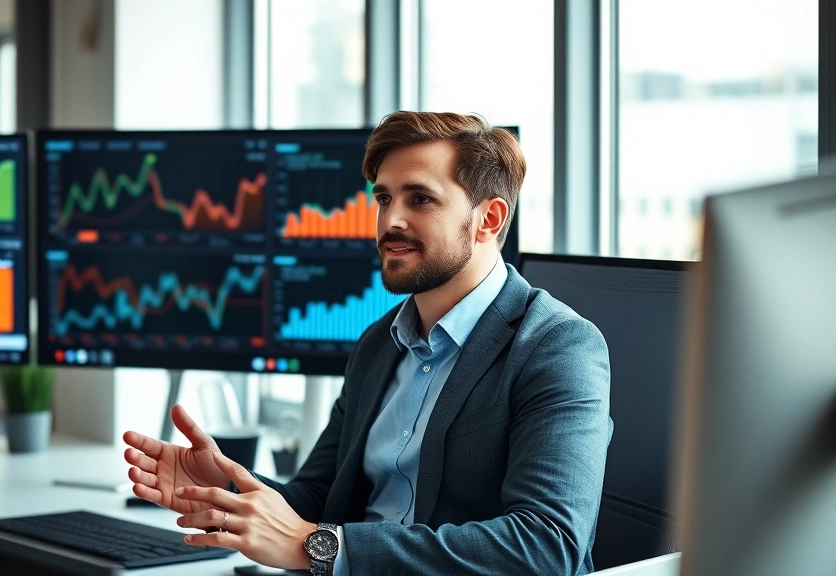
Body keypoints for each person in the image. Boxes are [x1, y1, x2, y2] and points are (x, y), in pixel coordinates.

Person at [123, 111, 612, 575]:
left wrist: (318, 548)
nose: (390, 221)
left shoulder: (557, 347)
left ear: (489, 219)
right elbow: (319, 498)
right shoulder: (381, 342)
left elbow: (547, 547)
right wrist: (227, 487)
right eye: (383, 198)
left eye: (420, 199)